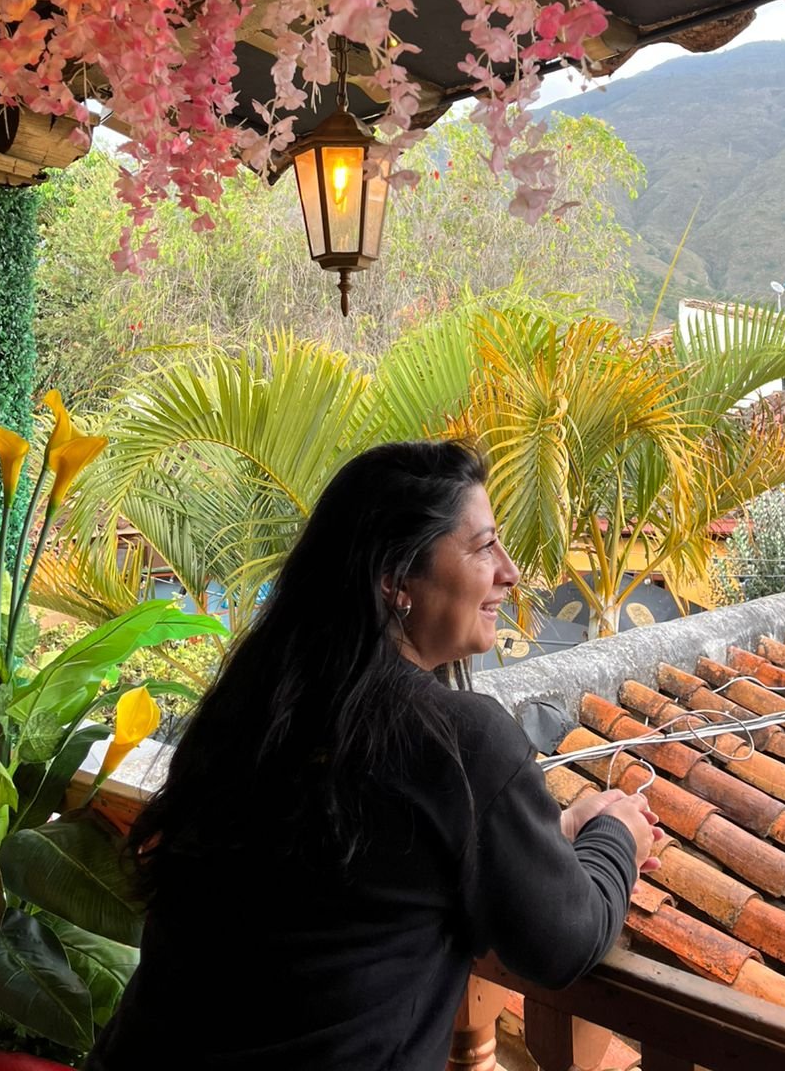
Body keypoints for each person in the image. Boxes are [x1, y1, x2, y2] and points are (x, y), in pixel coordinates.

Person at [88, 439, 661, 1071]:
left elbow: (366, 887)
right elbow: (564, 942)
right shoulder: (458, 743)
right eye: (481, 546)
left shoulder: (253, 714)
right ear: (395, 580)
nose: (509, 571)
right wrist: (614, 838)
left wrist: (554, 835)